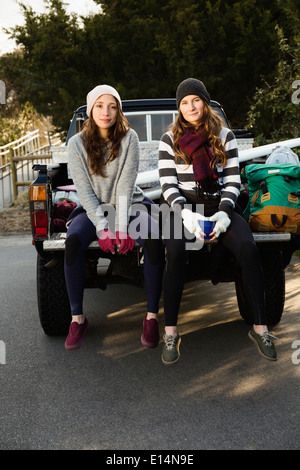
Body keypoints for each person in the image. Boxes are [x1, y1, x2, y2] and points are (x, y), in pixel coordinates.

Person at [157, 77, 278, 365]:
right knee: (174, 253)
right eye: (184, 102)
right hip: (182, 208)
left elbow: (233, 180)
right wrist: (186, 214)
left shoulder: (225, 136)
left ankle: (260, 328)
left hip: (219, 205)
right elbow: (167, 185)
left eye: (195, 100)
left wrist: (224, 214)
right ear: (179, 108)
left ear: (205, 102)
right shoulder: (169, 140)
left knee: (248, 249)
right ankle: (171, 333)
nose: (191, 106)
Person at [64, 84, 164, 351]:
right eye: (99, 105)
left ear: (119, 110)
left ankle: (151, 317)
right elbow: (84, 190)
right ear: (90, 109)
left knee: (153, 238)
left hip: (130, 205)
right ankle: (77, 319)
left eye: (112, 106)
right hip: (93, 207)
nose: (105, 112)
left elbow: (125, 185)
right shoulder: (76, 144)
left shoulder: (129, 137)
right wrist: (102, 228)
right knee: (73, 240)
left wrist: (119, 229)